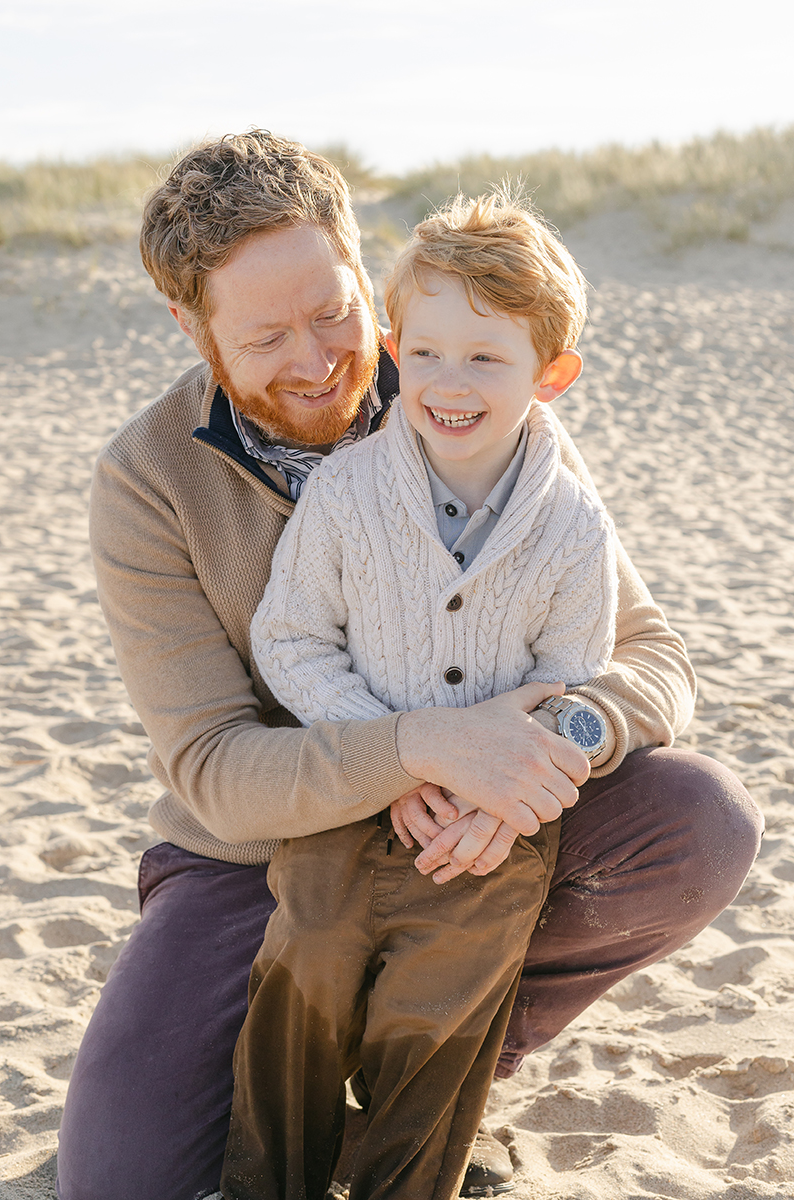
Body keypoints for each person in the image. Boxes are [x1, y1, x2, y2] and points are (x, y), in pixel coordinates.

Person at [55, 130, 763, 1200]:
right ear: (190, 327)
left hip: (479, 839)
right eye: (263, 335)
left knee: (699, 817)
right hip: (254, 856)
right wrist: (423, 748)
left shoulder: (467, 384)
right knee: (116, 1180)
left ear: (360, 266)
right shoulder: (146, 481)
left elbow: (649, 655)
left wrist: (540, 751)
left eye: (333, 311)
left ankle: (435, 1073)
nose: (316, 359)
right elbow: (211, 768)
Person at [220, 189, 620, 1200]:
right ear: (395, 347)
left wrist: (495, 798)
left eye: (486, 359)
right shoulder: (347, 491)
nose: (450, 382)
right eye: (428, 351)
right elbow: (290, 637)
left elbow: (571, 678)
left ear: (550, 375)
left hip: (489, 828)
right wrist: (396, 749)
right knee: (303, 975)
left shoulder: (572, 524)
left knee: (440, 1013)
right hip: (348, 799)